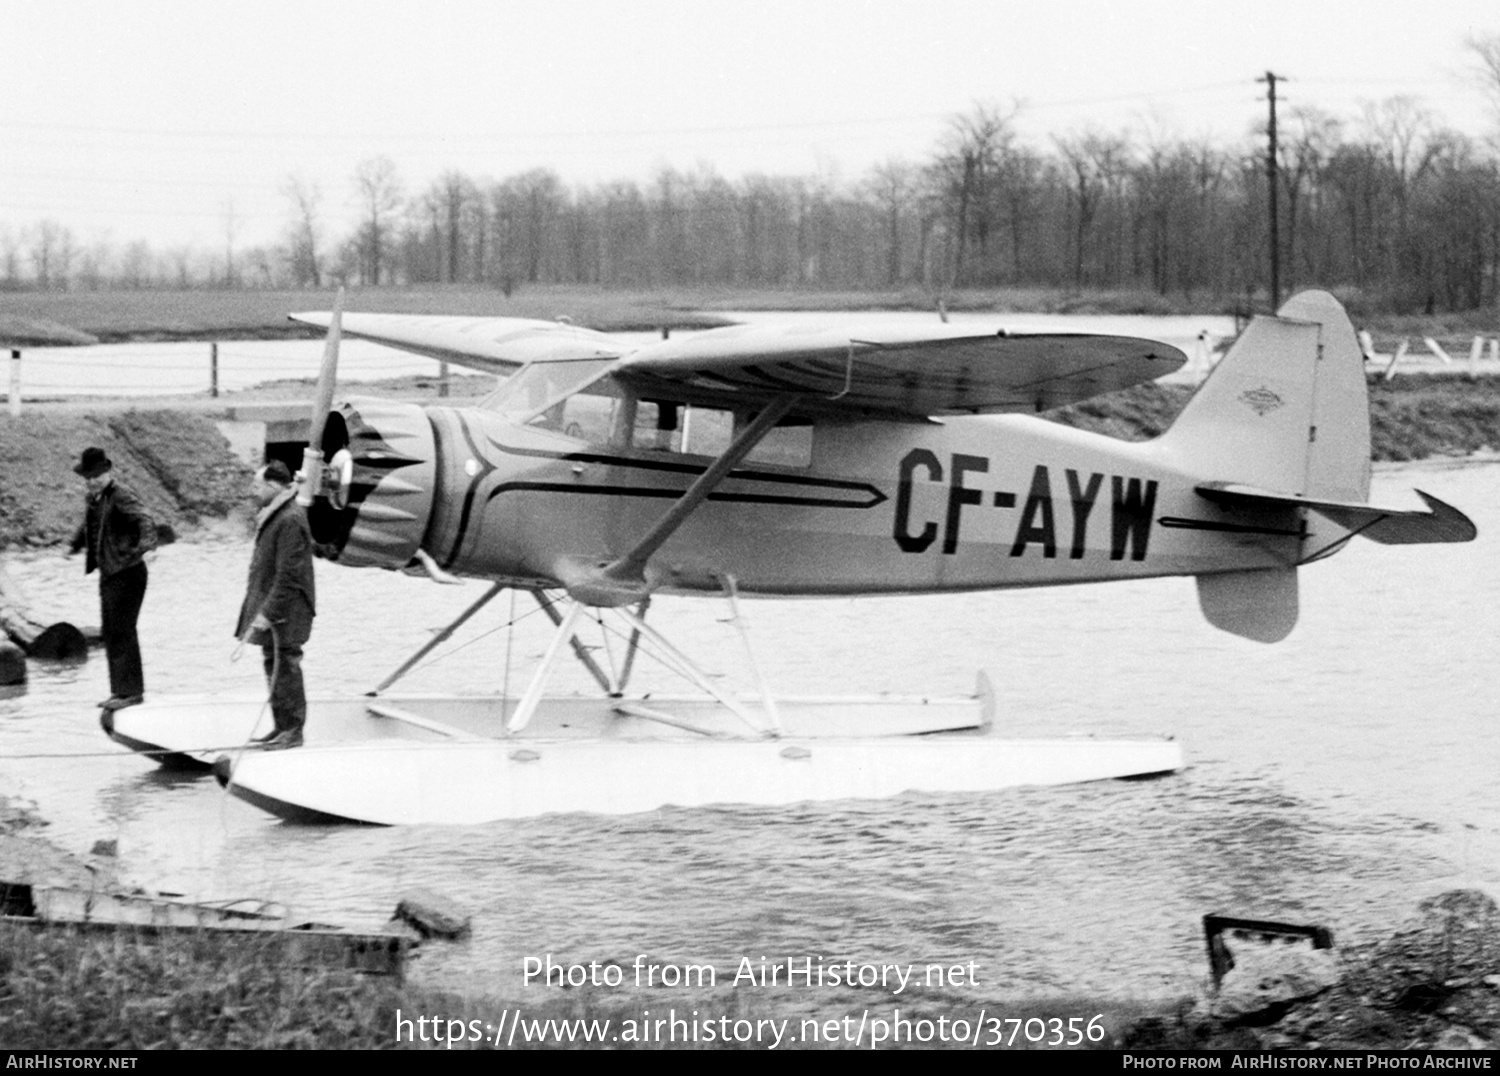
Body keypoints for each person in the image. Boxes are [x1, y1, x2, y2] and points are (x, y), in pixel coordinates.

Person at [68, 446, 157, 711]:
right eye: (88, 477)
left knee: (123, 630)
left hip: (129, 573)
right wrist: (73, 545)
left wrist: (147, 548)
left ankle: (131, 693)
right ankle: (119, 691)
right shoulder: (94, 498)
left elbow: (145, 519)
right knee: (110, 631)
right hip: (110, 574)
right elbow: (89, 525)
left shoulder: (121, 495)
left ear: (108, 471)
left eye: (96, 475)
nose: (92, 480)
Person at [234, 461, 315, 750]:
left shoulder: (290, 518)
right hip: (277, 608)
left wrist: (268, 614)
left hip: (289, 610)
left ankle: (292, 731)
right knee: (274, 663)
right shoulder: (278, 514)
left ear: (272, 486)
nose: (253, 492)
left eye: (257, 486)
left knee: (287, 664)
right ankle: (282, 727)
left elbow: (289, 575)